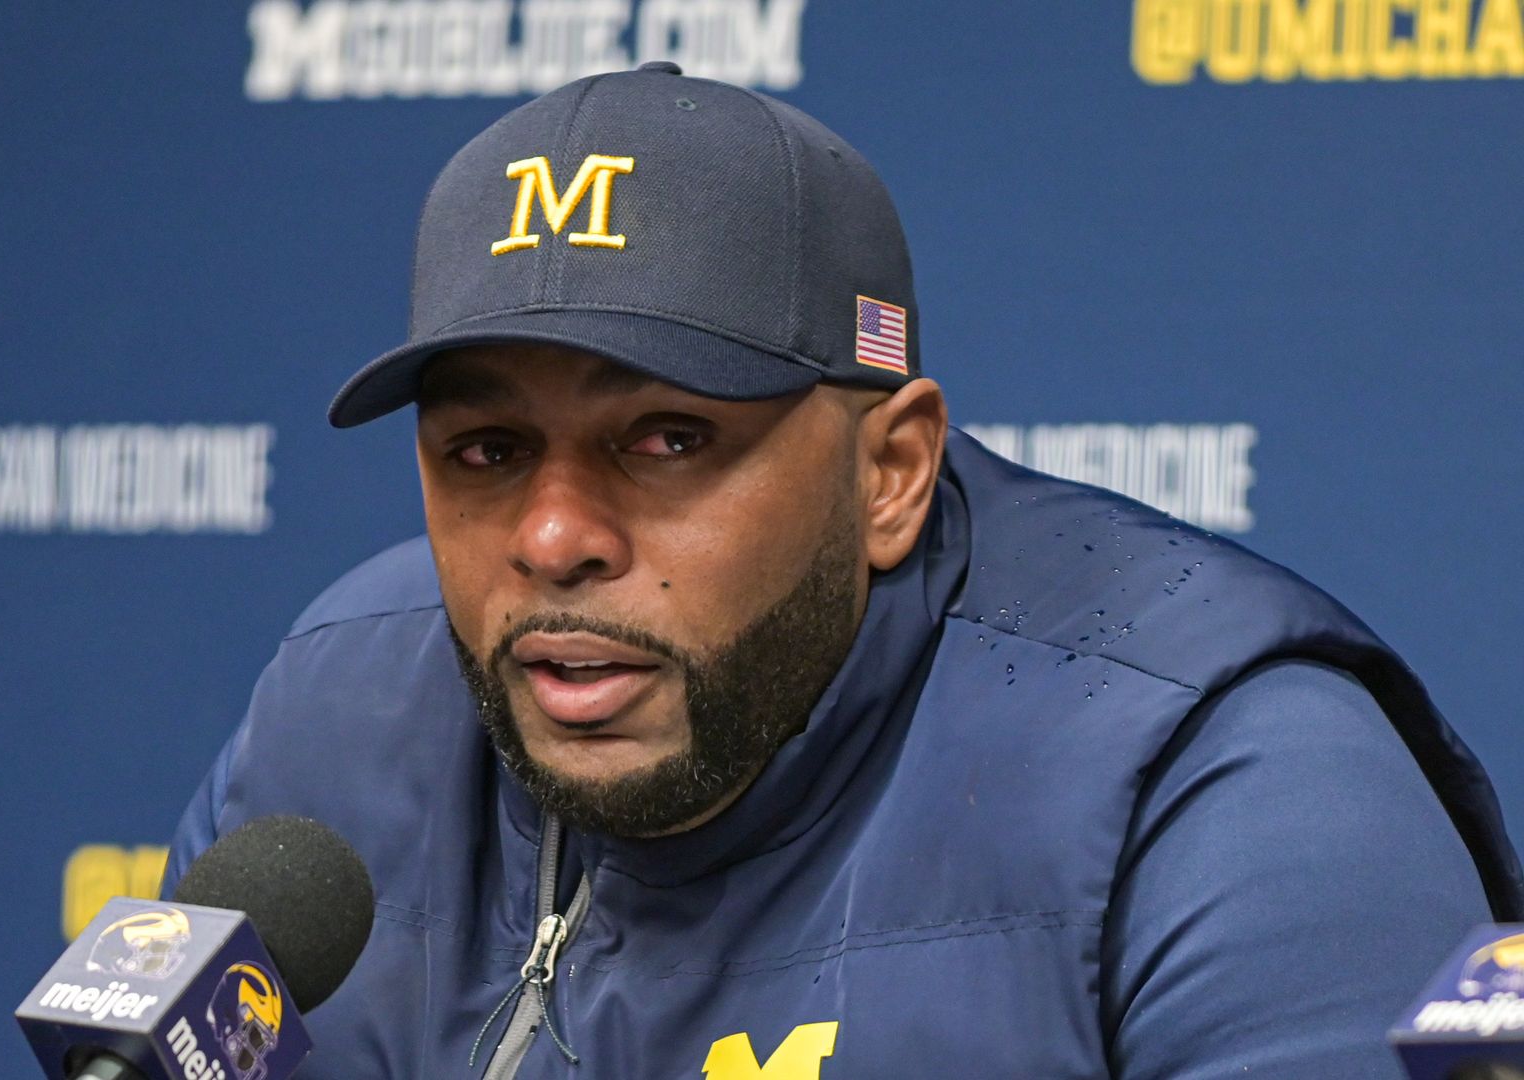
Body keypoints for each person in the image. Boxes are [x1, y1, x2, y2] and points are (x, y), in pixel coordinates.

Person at [163, 62, 1522, 1077]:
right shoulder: (333, 717)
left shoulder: (1220, 779)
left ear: (891, 472)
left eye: (667, 438)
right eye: (487, 452)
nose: (554, 535)